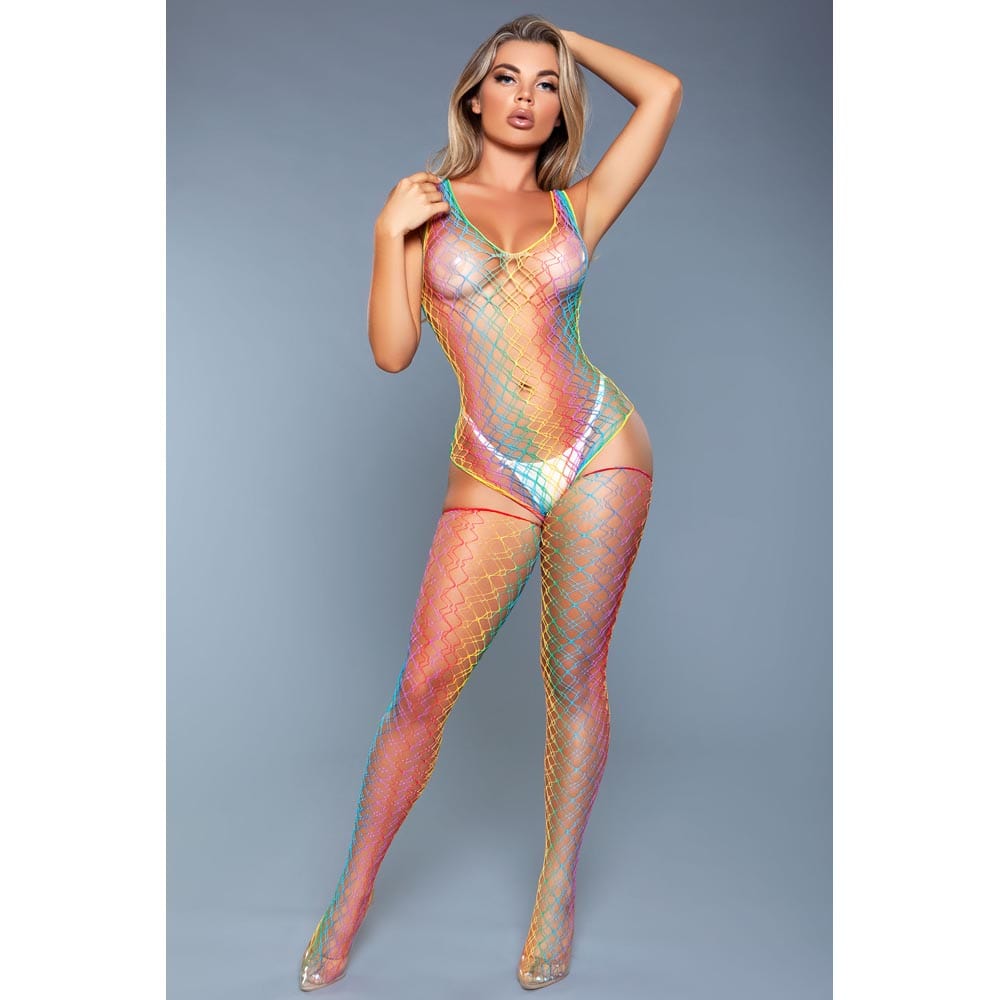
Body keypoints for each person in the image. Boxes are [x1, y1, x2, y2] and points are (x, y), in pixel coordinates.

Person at [299, 14, 683, 992]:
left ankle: (555, 886)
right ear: (472, 97)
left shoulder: (578, 205)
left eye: (546, 84)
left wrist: (562, 34)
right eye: (507, 77)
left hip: (601, 449)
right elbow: (392, 352)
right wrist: (385, 232)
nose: (525, 95)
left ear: (560, 110)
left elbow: (665, 93)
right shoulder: (424, 209)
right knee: (424, 687)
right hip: (493, 470)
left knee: (574, 674)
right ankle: (352, 894)